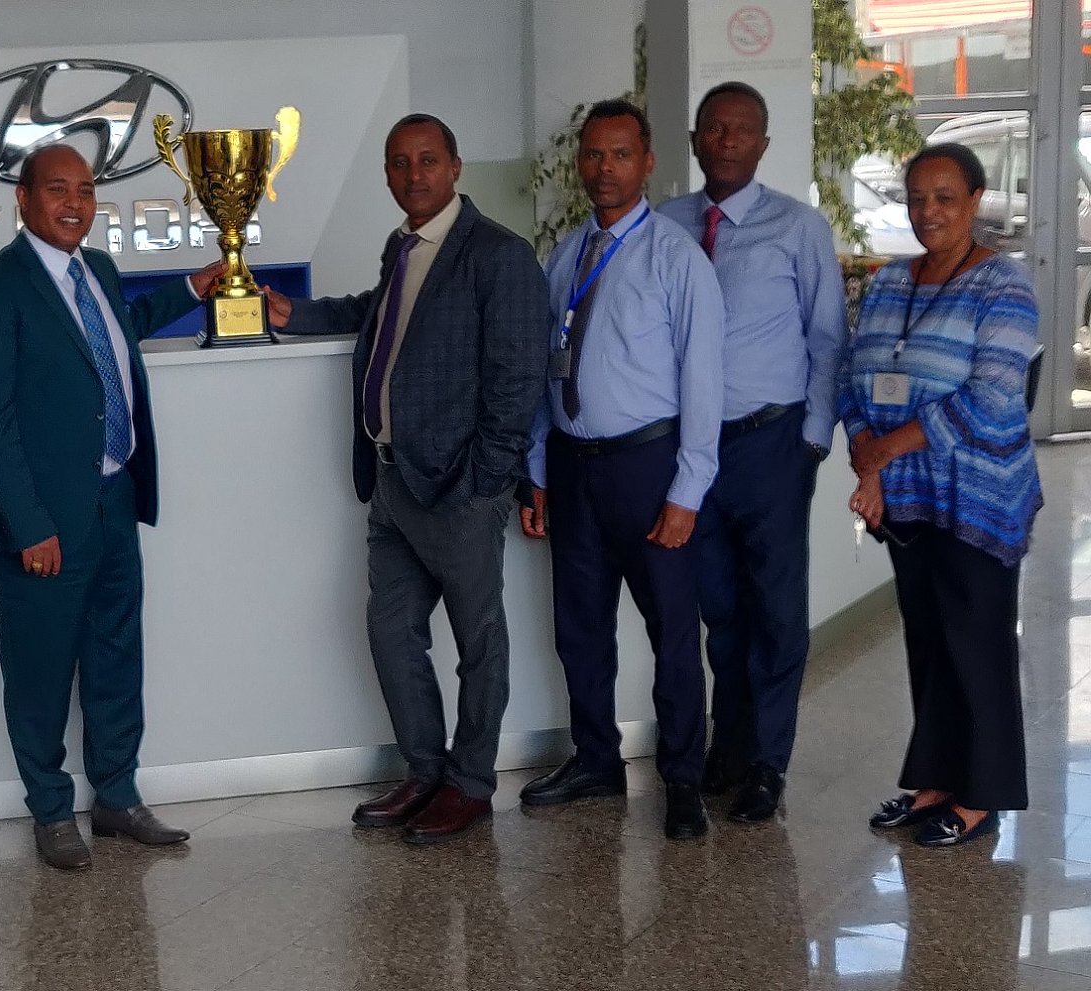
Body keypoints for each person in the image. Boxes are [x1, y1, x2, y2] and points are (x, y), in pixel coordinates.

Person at [264, 113, 548, 844]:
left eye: (426, 159)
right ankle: (424, 770)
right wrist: (296, 313)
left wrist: (485, 480)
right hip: (391, 480)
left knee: (479, 642)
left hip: (459, 489)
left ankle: (471, 783)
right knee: (392, 631)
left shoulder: (500, 255)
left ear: (455, 166)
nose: (413, 174)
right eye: (399, 162)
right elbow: (379, 316)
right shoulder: (404, 247)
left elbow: (519, 379)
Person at [0, 144, 223, 870]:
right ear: (23, 198)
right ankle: (50, 809)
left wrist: (192, 288)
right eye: (58, 189)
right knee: (38, 671)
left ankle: (118, 796)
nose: (75, 203)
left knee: (115, 655)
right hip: (43, 520)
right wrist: (28, 525)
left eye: (86, 190)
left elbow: (117, 331)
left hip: (113, 499)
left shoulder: (96, 268)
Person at [516, 100, 724, 840]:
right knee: (579, 626)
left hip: (649, 466)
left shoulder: (676, 258)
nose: (605, 169)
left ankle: (684, 778)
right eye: (594, 155)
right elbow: (546, 370)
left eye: (621, 154)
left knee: (672, 630)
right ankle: (596, 760)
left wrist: (688, 490)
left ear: (648, 162)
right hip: (573, 467)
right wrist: (537, 470)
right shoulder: (565, 255)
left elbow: (704, 381)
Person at [843, 143, 1041, 848]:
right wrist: (868, 463)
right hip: (907, 499)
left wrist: (885, 449)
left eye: (945, 197)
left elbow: (992, 396)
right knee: (929, 642)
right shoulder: (890, 282)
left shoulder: (1004, 285)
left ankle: (981, 795)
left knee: (975, 643)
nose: (929, 212)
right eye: (918, 198)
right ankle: (932, 782)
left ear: (976, 201)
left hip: (977, 496)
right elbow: (853, 375)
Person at [659, 82, 847, 821]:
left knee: (774, 609)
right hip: (691, 453)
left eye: (741, 129)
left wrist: (813, 438)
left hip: (770, 442)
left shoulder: (798, 227)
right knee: (719, 608)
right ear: (695, 141)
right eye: (714, 128)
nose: (727, 140)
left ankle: (768, 763)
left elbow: (827, 335)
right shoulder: (668, 224)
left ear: (763, 144)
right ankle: (730, 747)